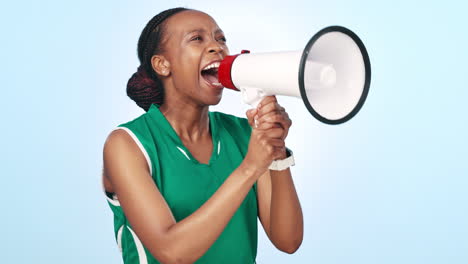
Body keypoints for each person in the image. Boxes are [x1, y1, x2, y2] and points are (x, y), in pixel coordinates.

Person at [102, 7, 303, 264]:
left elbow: (288, 240)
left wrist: (278, 154)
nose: (217, 47)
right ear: (162, 64)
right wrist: (250, 167)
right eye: (197, 39)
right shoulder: (127, 143)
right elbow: (171, 252)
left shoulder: (244, 133)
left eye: (221, 39)